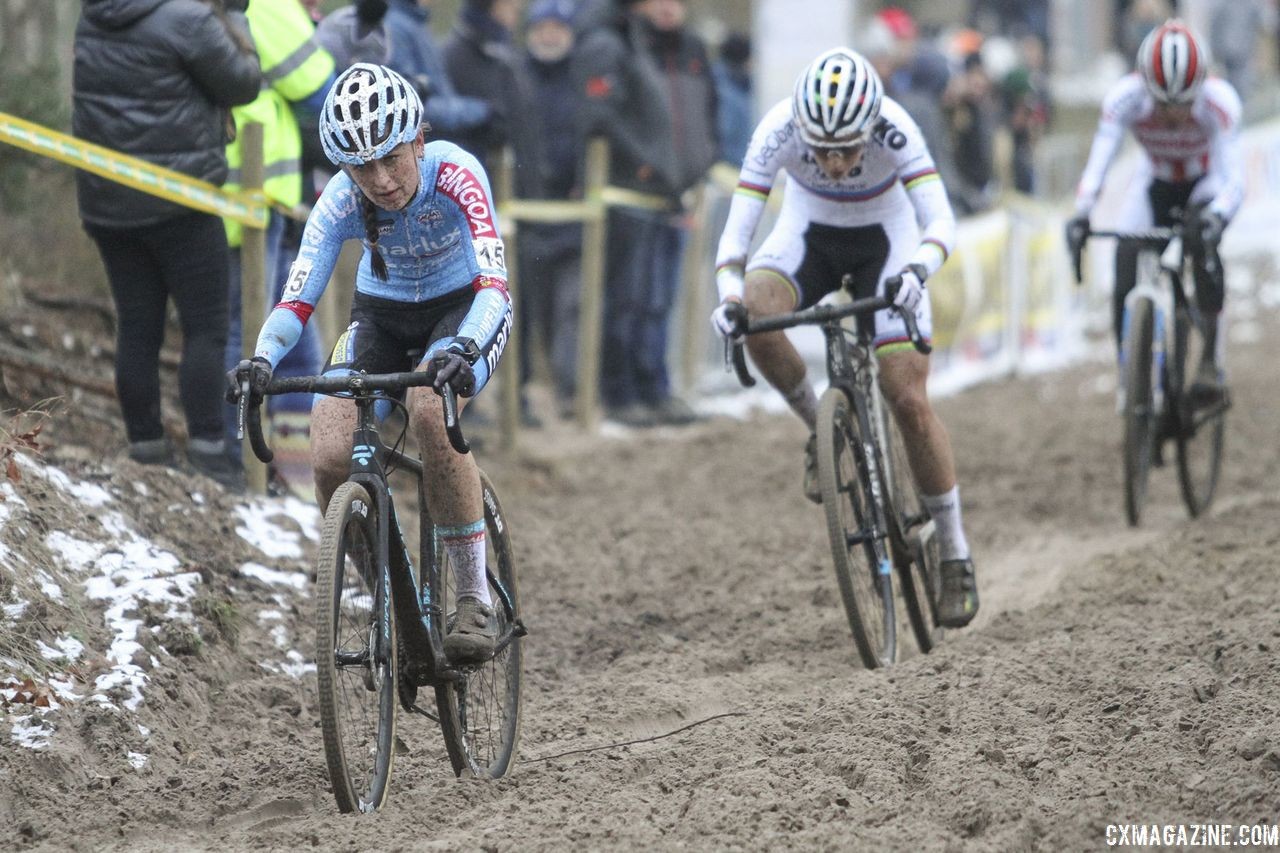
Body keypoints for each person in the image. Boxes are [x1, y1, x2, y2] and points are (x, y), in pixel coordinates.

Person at [228, 64, 512, 663]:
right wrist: (260, 358)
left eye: (391, 159)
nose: (380, 181)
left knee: (431, 412)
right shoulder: (340, 200)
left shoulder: (458, 173)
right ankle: (387, 593)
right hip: (380, 316)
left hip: (462, 311)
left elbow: (494, 285)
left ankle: (472, 596)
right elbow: (296, 298)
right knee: (329, 450)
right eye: (362, 168)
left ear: (417, 139)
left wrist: (464, 348)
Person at [708, 48, 980, 628]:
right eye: (821, 151)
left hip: (889, 243)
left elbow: (940, 222)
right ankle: (821, 428)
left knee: (907, 399)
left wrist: (918, 271)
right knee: (758, 314)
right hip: (810, 236)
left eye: (848, 151)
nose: (833, 165)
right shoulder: (778, 129)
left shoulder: (896, 127)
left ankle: (954, 549)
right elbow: (735, 240)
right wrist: (729, 299)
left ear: (870, 129)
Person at [72, 0, 262, 489]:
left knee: (136, 326)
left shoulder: (95, 16)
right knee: (206, 329)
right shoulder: (190, 20)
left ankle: (146, 446)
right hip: (181, 203)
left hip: (107, 203)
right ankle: (209, 451)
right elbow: (243, 83)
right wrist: (235, 15)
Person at [1066, 19, 1241, 403]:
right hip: (1154, 182)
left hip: (1203, 183)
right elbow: (1100, 159)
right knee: (1125, 259)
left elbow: (1233, 180)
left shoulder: (1220, 102)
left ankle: (1211, 361)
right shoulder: (1123, 99)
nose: (1172, 114)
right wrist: (1082, 211)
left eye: (1183, 103)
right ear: (1145, 85)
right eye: (1162, 103)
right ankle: (1131, 374)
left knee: (1203, 248)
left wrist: (1218, 216)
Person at [221, 0, 337, 493]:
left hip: (267, 195)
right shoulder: (271, 6)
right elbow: (322, 90)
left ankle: (295, 474)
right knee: (246, 331)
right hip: (252, 191)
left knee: (298, 342)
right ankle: (244, 465)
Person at [520, 0, 586, 412]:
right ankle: (521, 393)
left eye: (556, 28)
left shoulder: (583, 79)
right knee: (525, 308)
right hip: (526, 215)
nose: (549, 36)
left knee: (572, 307)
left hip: (574, 215)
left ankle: (569, 390)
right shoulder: (513, 75)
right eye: (541, 28)